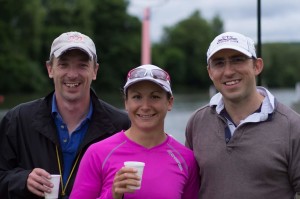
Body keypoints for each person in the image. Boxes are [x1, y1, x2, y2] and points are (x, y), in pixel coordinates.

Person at [0, 31, 131, 199]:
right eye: (63, 64)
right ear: (50, 69)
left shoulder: (121, 125)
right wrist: (23, 180)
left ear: (95, 71)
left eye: (82, 65)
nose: (72, 74)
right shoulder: (17, 119)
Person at [185, 31, 300, 199]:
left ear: (257, 66)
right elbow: (187, 187)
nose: (229, 71)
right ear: (210, 72)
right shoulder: (197, 122)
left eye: (237, 60)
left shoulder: (293, 126)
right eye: (219, 63)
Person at [70, 64, 200, 199]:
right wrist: (112, 195)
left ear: (170, 102)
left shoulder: (186, 159)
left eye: (155, 97)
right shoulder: (97, 154)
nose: (145, 107)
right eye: (137, 97)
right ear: (126, 102)